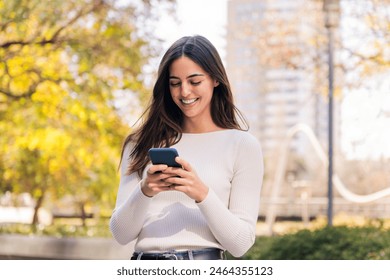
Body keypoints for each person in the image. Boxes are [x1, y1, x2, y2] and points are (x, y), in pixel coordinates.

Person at [110, 35, 264, 260]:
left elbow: (240, 244)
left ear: (215, 80)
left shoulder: (242, 146)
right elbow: (121, 234)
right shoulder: (140, 143)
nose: (184, 92)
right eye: (175, 83)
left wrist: (201, 193)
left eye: (194, 81)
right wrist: (145, 190)